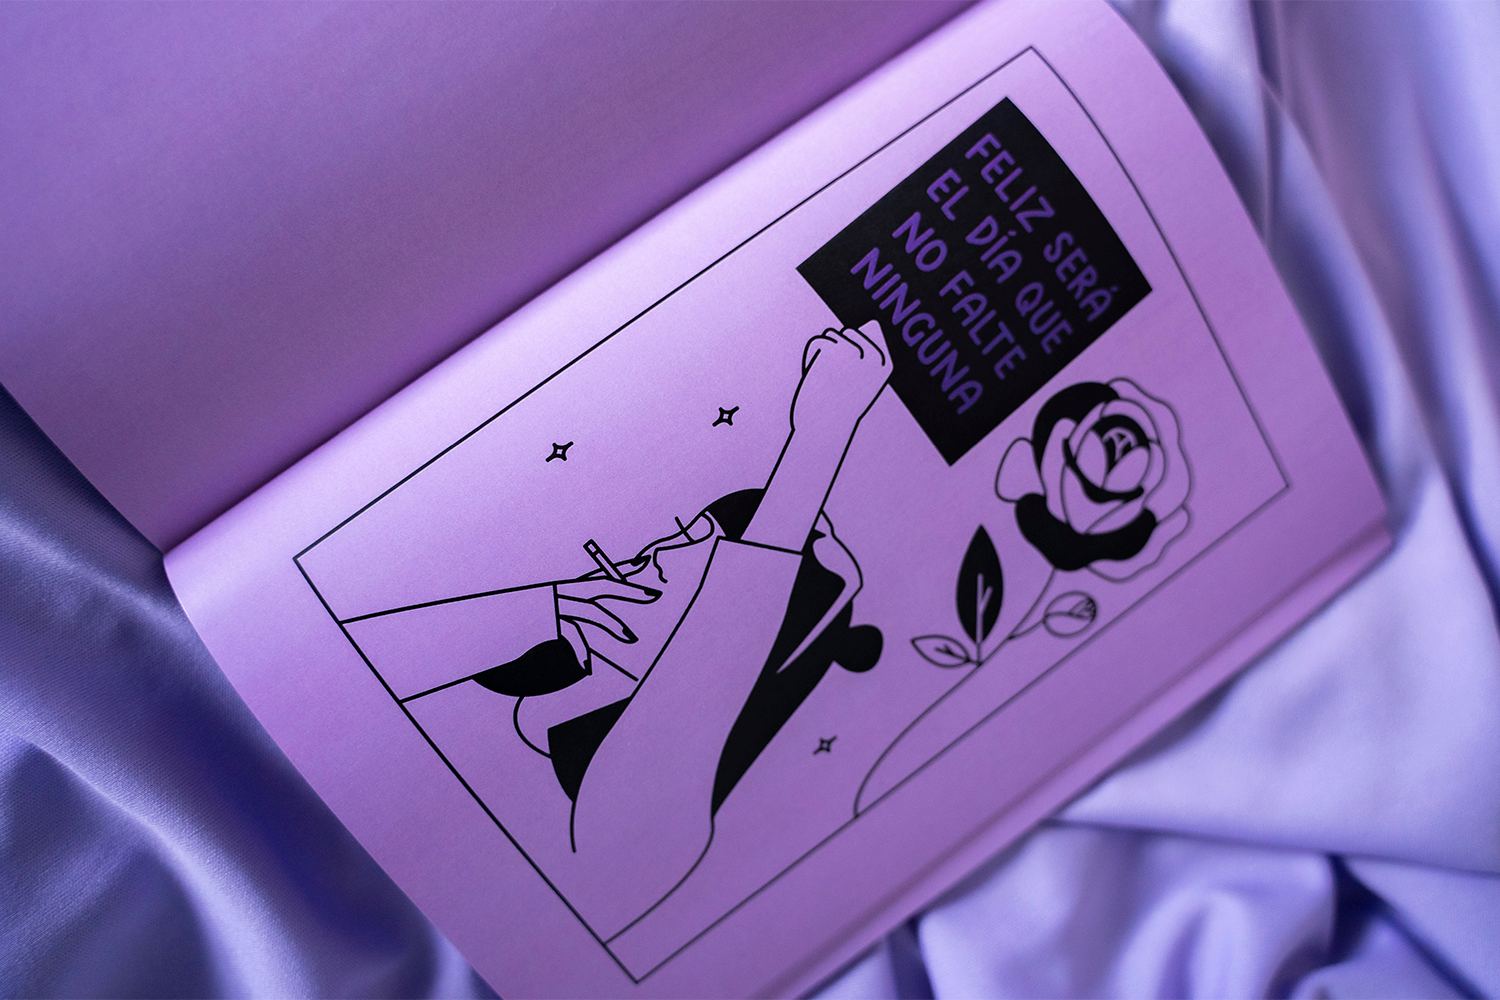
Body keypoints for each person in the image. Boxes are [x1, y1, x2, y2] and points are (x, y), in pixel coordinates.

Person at [346, 321, 892, 933]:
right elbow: (344, 669)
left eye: (709, 554)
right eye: (683, 535)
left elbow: (714, 657)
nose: (656, 554)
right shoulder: (523, 665)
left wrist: (819, 439)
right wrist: (540, 610)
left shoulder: (658, 829)